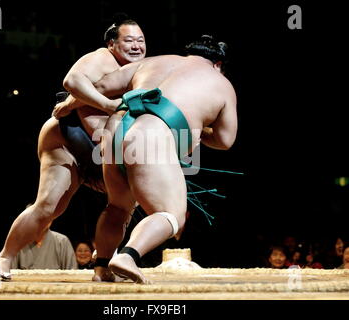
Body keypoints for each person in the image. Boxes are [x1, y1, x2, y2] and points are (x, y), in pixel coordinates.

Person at [68, 34, 237, 283]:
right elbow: (225, 140)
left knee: (117, 207)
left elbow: (97, 86)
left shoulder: (154, 61)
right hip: (152, 135)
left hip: (115, 129)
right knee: (172, 215)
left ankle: (101, 268)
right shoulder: (220, 82)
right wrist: (200, 129)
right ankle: (127, 256)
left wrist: (71, 105)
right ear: (218, 64)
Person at [0, 15, 146, 280]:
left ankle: (102, 266)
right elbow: (72, 80)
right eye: (128, 40)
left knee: (123, 206)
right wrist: (107, 105)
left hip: (104, 151)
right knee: (49, 206)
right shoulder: (102, 58)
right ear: (111, 44)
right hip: (68, 139)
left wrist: (74, 102)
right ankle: (5, 258)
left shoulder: (144, 72)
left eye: (141, 41)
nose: (136, 46)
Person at [11, 221, 77, 270]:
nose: (43, 219)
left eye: (46, 216)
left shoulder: (62, 241)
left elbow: (72, 274)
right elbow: (10, 274)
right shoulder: (18, 242)